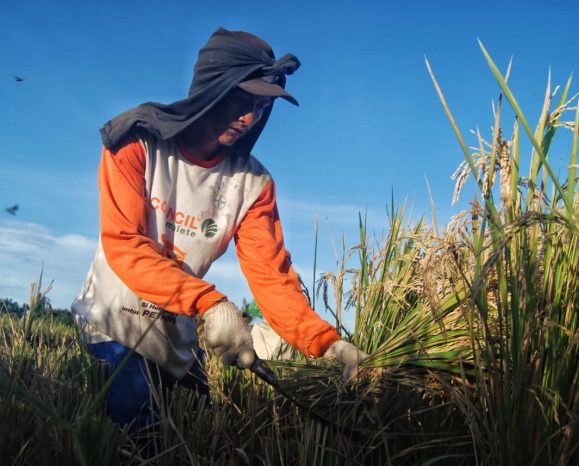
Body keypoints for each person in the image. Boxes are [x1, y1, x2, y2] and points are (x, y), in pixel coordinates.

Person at [71, 28, 367, 427]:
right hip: (114, 322)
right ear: (211, 88)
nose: (249, 118)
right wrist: (211, 302)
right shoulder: (137, 143)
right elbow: (125, 245)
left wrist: (328, 344)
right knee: (141, 433)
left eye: (261, 107)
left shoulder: (252, 185)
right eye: (241, 99)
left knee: (203, 426)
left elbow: (272, 280)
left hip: (176, 333)